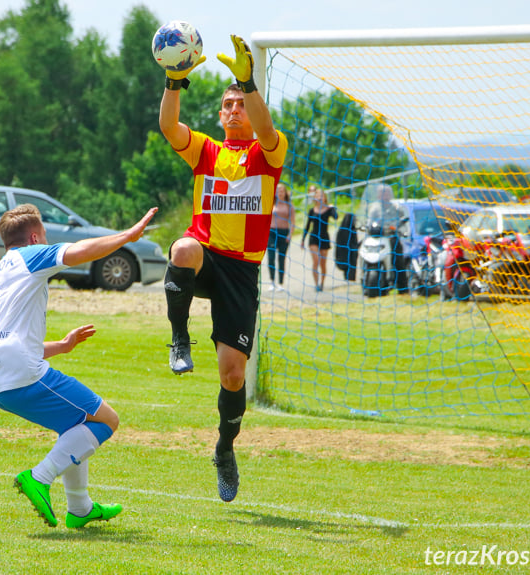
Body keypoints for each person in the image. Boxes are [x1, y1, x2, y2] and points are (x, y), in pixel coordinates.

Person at [158, 34, 288, 502]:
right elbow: (169, 127)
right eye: (227, 105)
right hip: (208, 257)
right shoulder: (206, 151)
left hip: (241, 274)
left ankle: (224, 449)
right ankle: (178, 339)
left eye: (240, 104)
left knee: (233, 376)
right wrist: (175, 80)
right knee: (182, 248)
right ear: (218, 115)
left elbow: (268, 131)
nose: (234, 110)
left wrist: (248, 83)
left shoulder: (267, 153)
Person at [0, 203, 157, 528]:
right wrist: (127, 236)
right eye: (44, 234)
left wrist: (60, 346)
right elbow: (79, 251)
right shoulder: (31, 256)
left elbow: (3, 339)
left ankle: (80, 507)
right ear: (34, 237)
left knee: (74, 426)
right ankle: (39, 477)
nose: (46, 240)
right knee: (106, 420)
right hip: (22, 374)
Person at [300, 185, 338, 292]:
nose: (320, 198)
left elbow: (336, 217)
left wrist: (333, 208)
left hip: (324, 237)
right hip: (313, 237)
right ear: (315, 197)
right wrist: (303, 239)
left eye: (322, 196)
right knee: (316, 260)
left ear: (325, 198)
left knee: (323, 263)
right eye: (318, 195)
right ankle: (316, 284)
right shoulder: (312, 210)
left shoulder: (329, 209)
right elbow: (307, 226)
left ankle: (322, 283)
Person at [267, 182, 296, 291]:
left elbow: (293, 222)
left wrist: (290, 234)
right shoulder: (271, 203)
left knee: (281, 258)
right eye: (278, 191)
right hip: (272, 233)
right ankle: (272, 281)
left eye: (282, 191)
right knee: (271, 257)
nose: (280, 193)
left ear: (285, 192)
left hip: (284, 233)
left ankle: (280, 283)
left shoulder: (289, 205)